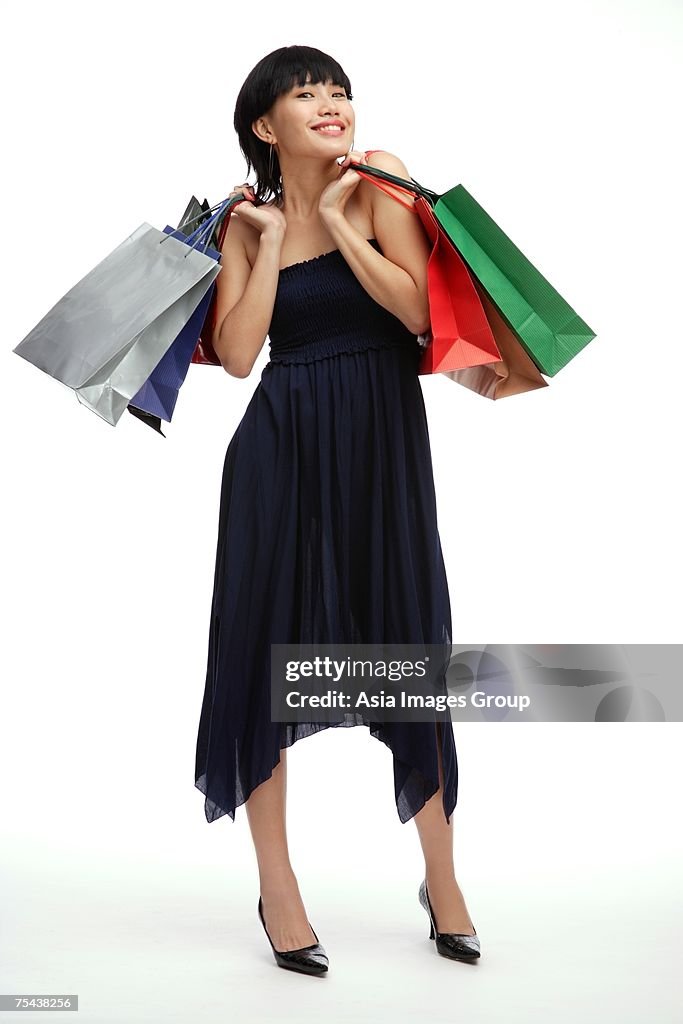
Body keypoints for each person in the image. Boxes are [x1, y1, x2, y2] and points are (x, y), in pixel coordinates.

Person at [194, 45, 480, 975]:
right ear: (262, 127)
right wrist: (276, 240)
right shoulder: (247, 225)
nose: (332, 104)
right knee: (262, 658)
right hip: (282, 446)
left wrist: (336, 223)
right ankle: (278, 890)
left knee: (408, 645)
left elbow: (414, 317)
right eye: (305, 93)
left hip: (383, 447)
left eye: (339, 91)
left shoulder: (382, 180)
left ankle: (441, 880)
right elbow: (239, 357)